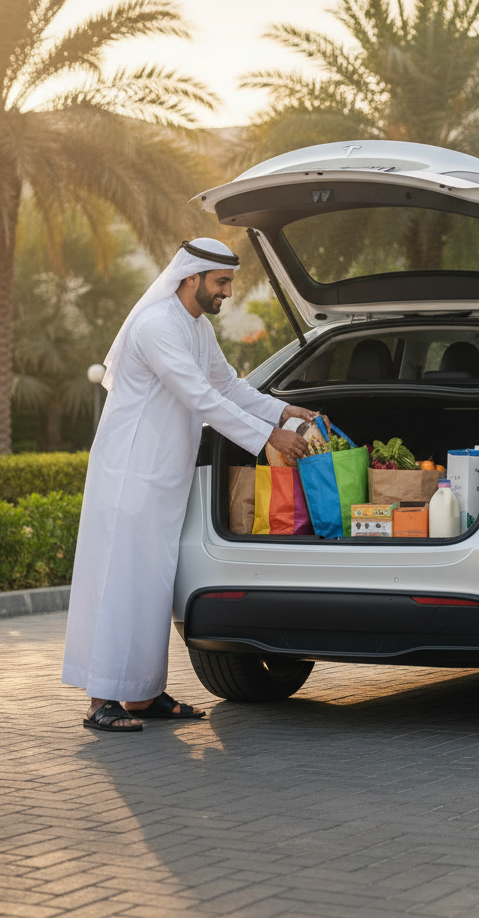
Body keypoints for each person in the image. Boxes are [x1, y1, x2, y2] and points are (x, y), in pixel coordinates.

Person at [63, 238, 314, 733]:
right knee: (119, 584)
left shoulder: (196, 327)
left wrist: (283, 410)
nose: (226, 293)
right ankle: (101, 700)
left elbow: (228, 385)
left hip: (161, 478)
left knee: (152, 586)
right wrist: (270, 435)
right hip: (129, 475)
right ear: (191, 277)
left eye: (229, 284)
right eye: (221, 283)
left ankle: (142, 695)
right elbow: (200, 397)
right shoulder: (157, 325)